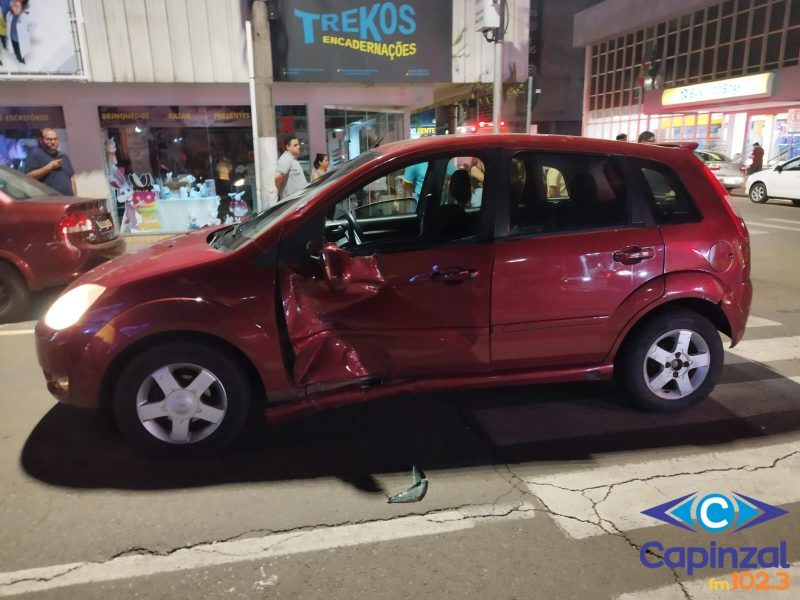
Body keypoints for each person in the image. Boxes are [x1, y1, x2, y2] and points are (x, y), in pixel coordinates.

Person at [25, 128, 76, 195]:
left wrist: (75, 196)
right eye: (49, 139)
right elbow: (28, 177)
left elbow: (71, 178)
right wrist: (49, 167)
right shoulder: (35, 154)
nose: (53, 142)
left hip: (68, 201)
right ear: (41, 140)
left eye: (55, 139)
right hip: (51, 202)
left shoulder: (64, 156)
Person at [275, 135, 307, 200]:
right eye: (295, 145)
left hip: (299, 199)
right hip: (292, 200)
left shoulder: (293, 159)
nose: (298, 147)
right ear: (287, 147)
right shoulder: (286, 158)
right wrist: (277, 193)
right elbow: (278, 177)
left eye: (298, 144)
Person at [6, 0, 31, 65]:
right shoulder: (9, 15)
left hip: (19, 40)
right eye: (14, 7)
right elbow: (8, 25)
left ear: (21, 8)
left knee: (20, 51)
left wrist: (27, 29)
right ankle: (19, 58)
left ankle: (22, 60)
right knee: (16, 50)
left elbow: (31, 24)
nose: (16, 9)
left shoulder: (24, 16)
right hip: (12, 39)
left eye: (18, 7)